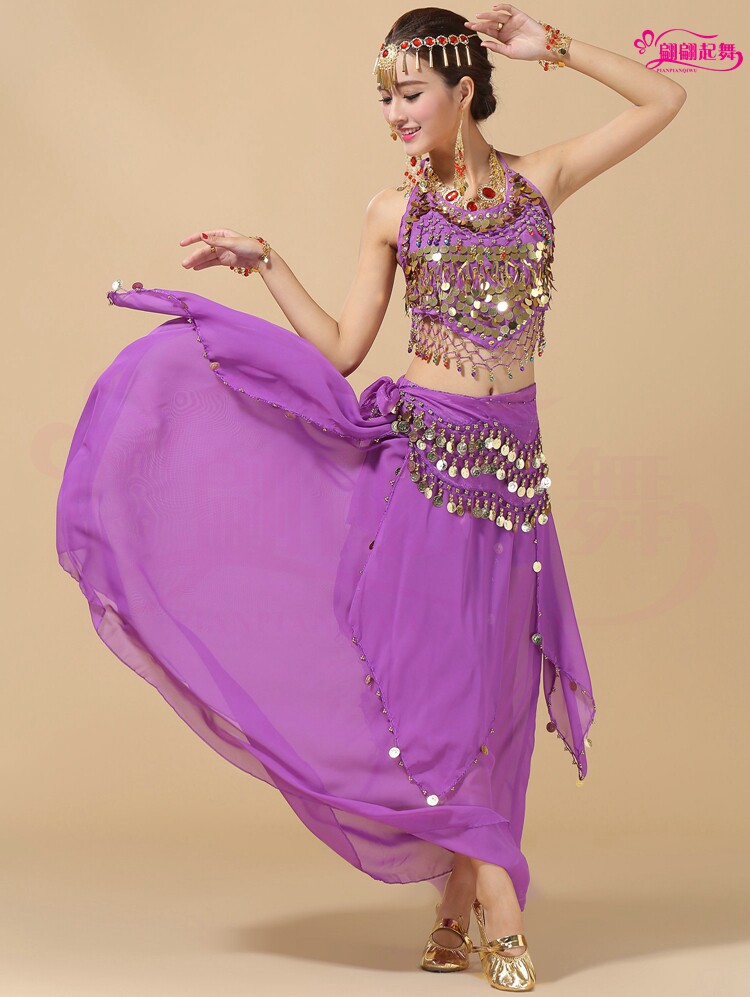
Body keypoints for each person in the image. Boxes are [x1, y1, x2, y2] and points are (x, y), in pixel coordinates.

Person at [56, 4, 686, 991]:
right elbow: (345, 349)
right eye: (385, 98)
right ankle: (500, 900)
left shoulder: (540, 181)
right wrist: (268, 264)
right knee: (441, 685)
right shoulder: (394, 213)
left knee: (496, 687)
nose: (394, 114)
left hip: (513, 482)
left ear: (462, 91)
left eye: (410, 94)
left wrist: (554, 47)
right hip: (424, 472)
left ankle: (452, 901)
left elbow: (666, 96)